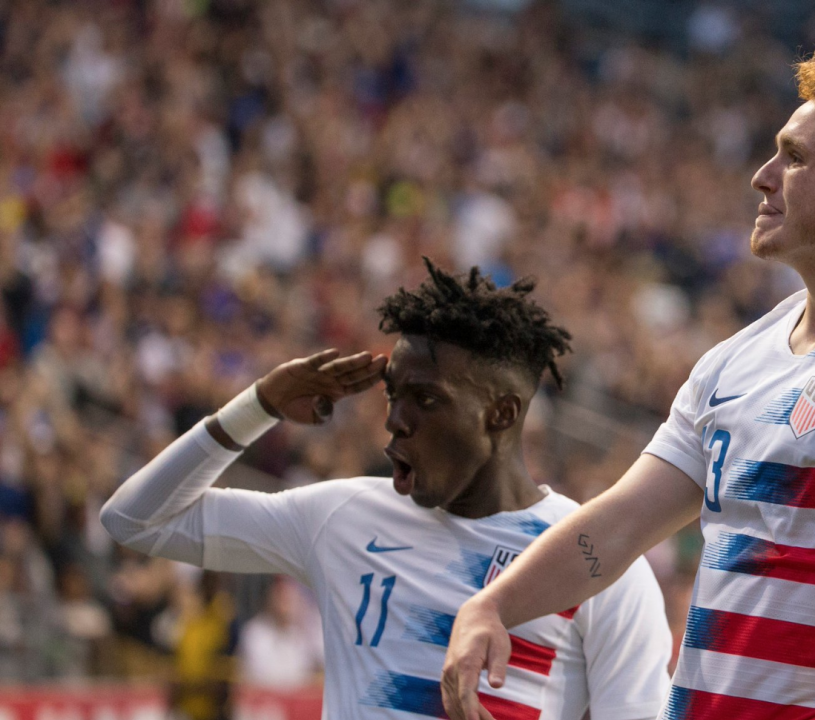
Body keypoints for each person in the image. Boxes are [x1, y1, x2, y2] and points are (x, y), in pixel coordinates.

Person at [443, 40, 815, 720]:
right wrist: (494, 605)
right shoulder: (736, 360)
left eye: (794, 157)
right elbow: (618, 525)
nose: (762, 176)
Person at [100, 260, 671, 720]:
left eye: (425, 400)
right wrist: (259, 407)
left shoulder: (595, 563)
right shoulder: (342, 517)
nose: (394, 421)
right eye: (391, 395)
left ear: (500, 414)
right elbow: (133, 520)